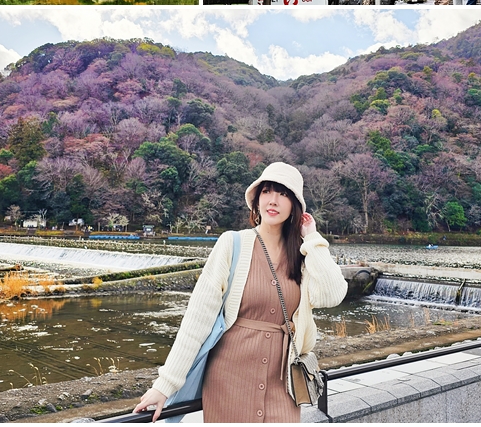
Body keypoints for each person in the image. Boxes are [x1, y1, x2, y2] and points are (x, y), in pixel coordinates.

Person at [132, 162, 346, 423]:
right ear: (256, 201)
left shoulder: (302, 254)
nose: (273, 200)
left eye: (283, 193)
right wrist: (164, 386)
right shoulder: (232, 243)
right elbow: (197, 319)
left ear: (295, 206)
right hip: (229, 380)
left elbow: (333, 294)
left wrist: (311, 238)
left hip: (283, 384)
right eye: (267, 191)